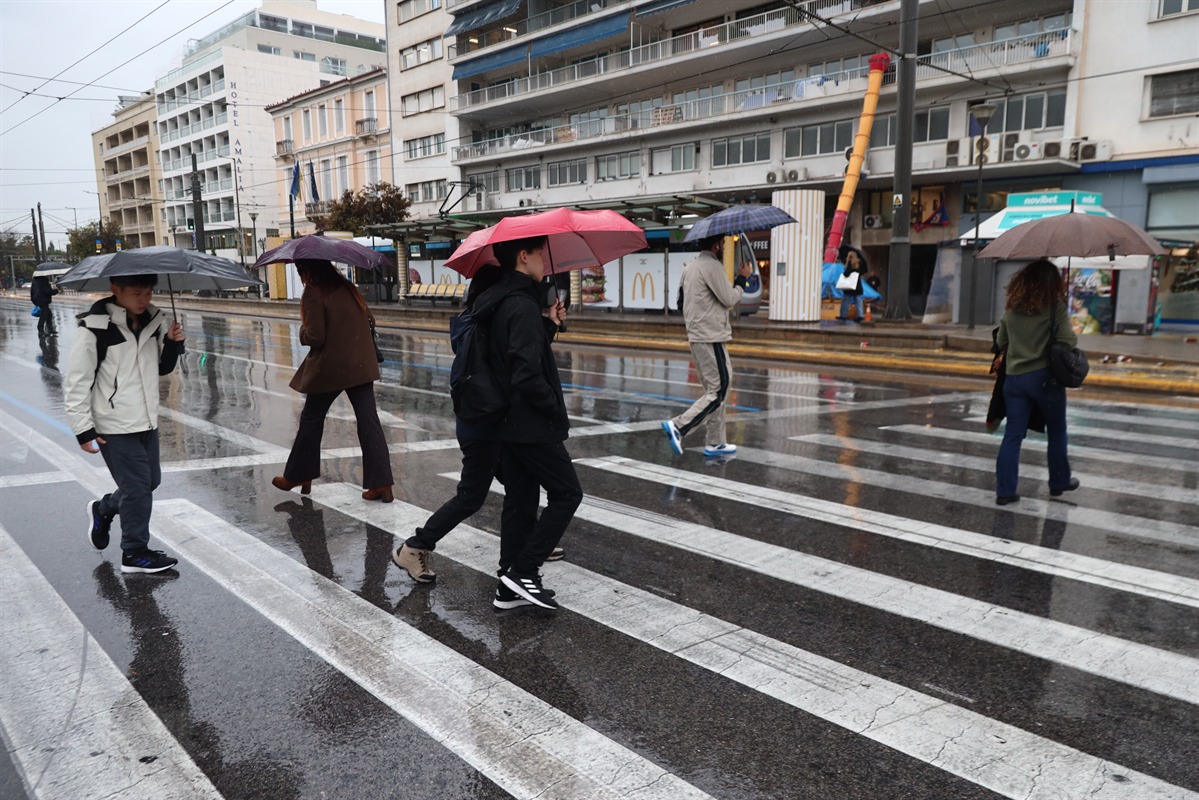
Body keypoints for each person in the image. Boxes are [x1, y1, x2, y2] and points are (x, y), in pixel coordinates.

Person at [391, 264, 567, 594]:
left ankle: (527, 548)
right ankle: (414, 546)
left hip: (485, 422)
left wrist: (547, 324)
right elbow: (508, 366)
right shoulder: (482, 323)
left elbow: (511, 355)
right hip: (483, 427)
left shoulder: (476, 319)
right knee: (473, 496)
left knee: (521, 486)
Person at [64, 274, 186, 573]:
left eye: (148, 292)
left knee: (149, 483)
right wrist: (83, 429)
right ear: (115, 290)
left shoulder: (153, 322)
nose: (144, 299)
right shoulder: (95, 329)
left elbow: (161, 367)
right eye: (136, 293)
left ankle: (103, 509)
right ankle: (134, 553)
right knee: (137, 490)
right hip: (113, 424)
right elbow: (77, 382)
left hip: (146, 420)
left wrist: (171, 343)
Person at [272, 259, 393, 502]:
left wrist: (302, 332)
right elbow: (371, 321)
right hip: (361, 366)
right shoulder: (348, 288)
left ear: (307, 271)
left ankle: (298, 475)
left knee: (311, 418)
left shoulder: (314, 293)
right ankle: (382, 484)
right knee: (368, 421)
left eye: (300, 271)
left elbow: (316, 337)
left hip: (332, 369)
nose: (301, 277)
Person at [994, 259, 1080, 505]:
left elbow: (1001, 343)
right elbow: (1068, 342)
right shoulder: (1056, 308)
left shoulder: (1011, 310)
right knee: (1056, 430)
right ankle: (1059, 481)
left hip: (1014, 380)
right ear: (1053, 283)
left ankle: (1005, 491)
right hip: (1045, 379)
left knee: (1013, 435)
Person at [661, 234, 751, 459]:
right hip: (711, 336)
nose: (723, 247)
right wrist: (742, 279)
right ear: (715, 245)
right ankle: (679, 426)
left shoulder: (689, 267)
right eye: (722, 244)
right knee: (719, 389)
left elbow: (680, 302)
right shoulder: (712, 265)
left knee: (714, 390)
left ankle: (716, 442)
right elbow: (729, 298)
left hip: (697, 335)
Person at [838, 251, 866, 321]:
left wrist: (848, 265)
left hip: (849, 287)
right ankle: (860, 315)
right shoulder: (859, 264)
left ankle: (843, 315)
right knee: (858, 302)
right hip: (858, 286)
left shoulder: (850, 264)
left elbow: (846, 274)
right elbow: (861, 273)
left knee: (845, 301)